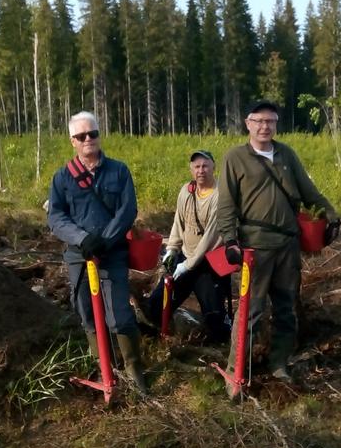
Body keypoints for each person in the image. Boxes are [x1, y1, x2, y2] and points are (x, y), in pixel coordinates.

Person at [217, 100, 340, 390]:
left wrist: (331, 216)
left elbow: (310, 193)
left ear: (276, 124)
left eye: (270, 121)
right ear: (247, 123)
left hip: (288, 245)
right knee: (250, 309)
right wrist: (229, 240)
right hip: (254, 249)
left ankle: (279, 363)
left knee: (286, 308)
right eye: (258, 121)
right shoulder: (235, 158)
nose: (264, 127)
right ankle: (237, 370)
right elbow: (226, 205)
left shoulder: (287, 154)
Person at [47, 111, 148, 394]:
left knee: (119, 314)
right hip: (79, 256)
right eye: (81, 136)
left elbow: (128, 210)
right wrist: (82, 239)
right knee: (87, 313)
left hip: (112, 254)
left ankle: (134, 370)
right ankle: (105, 366)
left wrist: (104, 240)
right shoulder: (62, 178)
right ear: (73, 141)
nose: (88, 139)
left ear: (99, 135)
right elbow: (56, 217)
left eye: (93, 134)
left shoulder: (119, 171)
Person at [145, 150, 232, 343]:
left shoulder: (220, 197)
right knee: (155, 306)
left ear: (213, 168)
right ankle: (165, 332)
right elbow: (178, 222)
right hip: (185, 256)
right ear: (191, 169)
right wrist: (172, 249)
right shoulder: (187, 190)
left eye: (205, 166)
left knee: (215, 320)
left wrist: (187, 266)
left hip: (208, 263)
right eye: (197, 166)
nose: (201, 170)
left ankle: (223, 343)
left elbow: (210, 237)